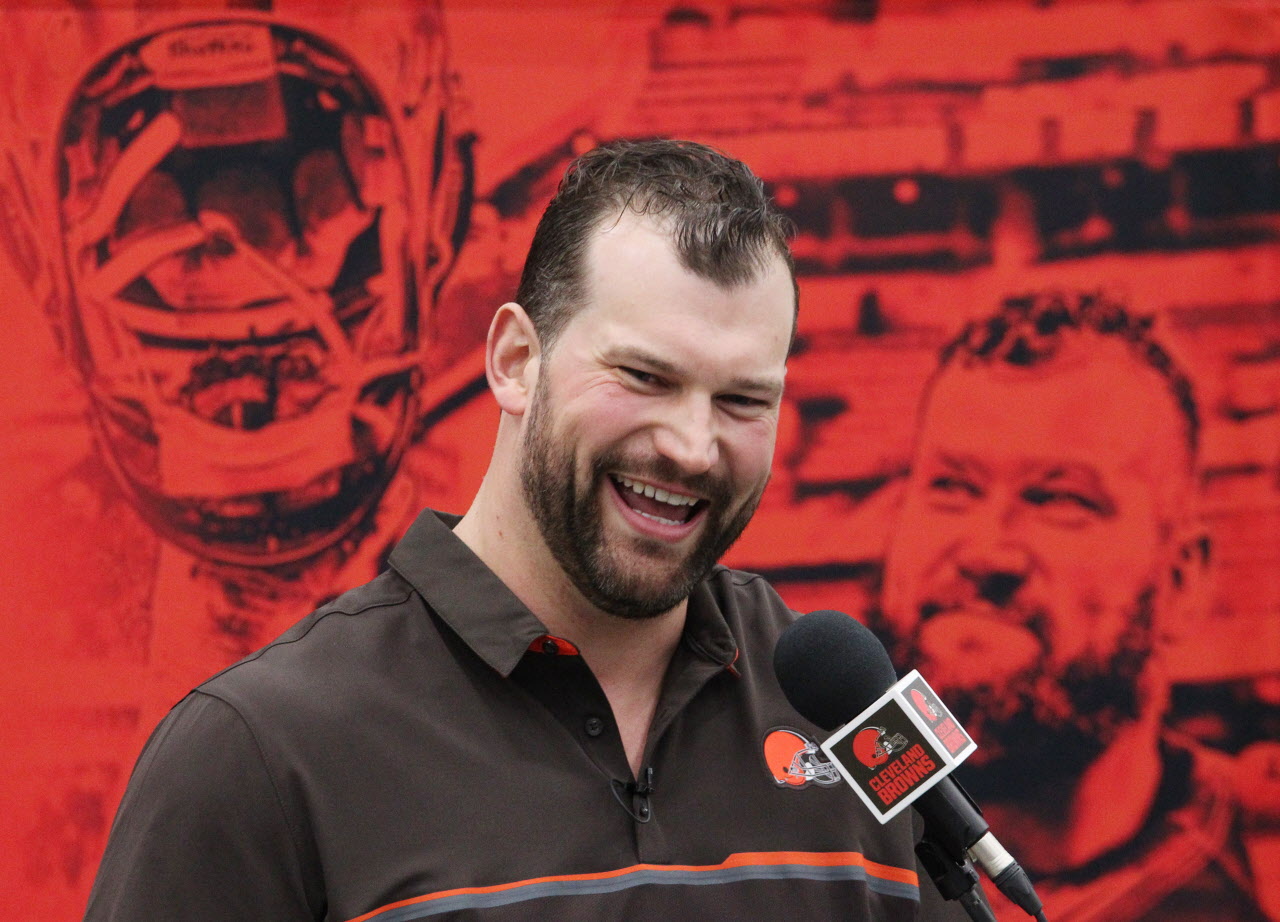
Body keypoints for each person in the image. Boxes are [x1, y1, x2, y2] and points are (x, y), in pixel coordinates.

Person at [82, 138, 971, 921]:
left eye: (742, 400)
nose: (693, 447)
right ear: (514, 360)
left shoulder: (853, 714)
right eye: (646, 377)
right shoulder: (259, 753)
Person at [869, 291, 1275, 921]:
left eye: (1060, 499)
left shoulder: (1251, 872)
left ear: (1182, 580)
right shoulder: (798, 823)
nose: (986, 552)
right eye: (952, 487)